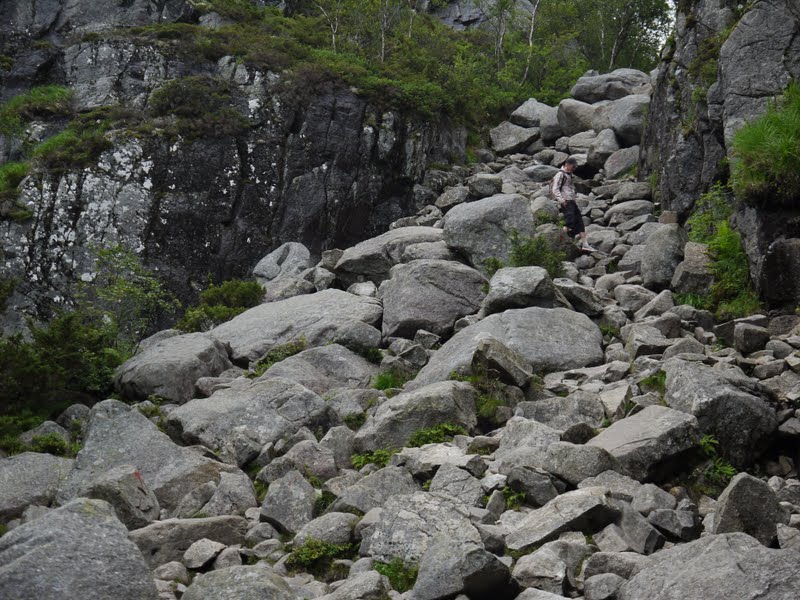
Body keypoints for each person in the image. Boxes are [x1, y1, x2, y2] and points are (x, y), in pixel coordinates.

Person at [552, 157, 597, 252]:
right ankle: (557, 241)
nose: (574, 168)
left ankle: (585, 244)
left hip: (572, 201)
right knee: (569, 223)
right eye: (573, 166)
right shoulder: (560, 174)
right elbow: (555, 189)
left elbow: (569, 188)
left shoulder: (569, 175)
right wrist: (562, 200)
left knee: (580, 223)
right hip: (566, 201)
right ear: (567, 165)